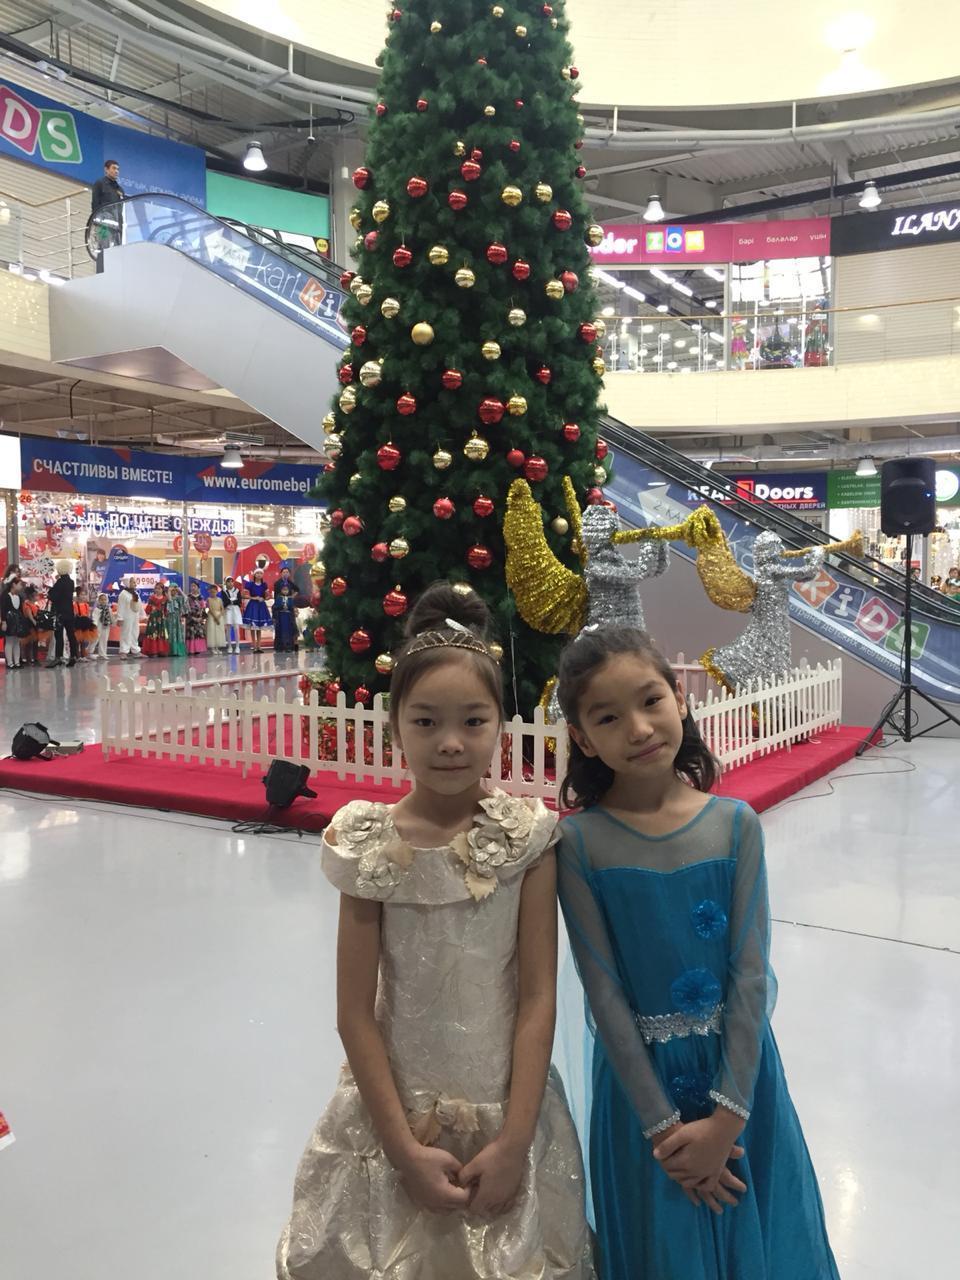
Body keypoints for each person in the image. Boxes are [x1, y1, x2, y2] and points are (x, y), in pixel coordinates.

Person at [276, 582, 594, 1280]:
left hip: (508, 1114)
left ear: (501, 725)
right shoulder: (368, 843)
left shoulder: (527, 839)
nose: (450, 743)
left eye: (473, 721)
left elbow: (538, 997)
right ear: (395, 727)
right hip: (394, 1118)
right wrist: (401, 1151)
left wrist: (515, 1142)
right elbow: (355, 1011)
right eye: (425, 722)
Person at [554, 625, 839, 1280]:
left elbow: (750, 975)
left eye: (651, 700)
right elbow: (603, 994)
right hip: (640, 1093)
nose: (638, 728)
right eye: (607, 717)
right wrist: (662, 1130)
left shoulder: (735, 825)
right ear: (582, 737)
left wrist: (727, 1119)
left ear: (679, 698)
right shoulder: (579, 845)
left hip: (740, 1081)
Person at [90, 159, 125, 273]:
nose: (116, 171)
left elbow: (121, 211)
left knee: (117, 252)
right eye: (114, 168)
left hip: (117, 226)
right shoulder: (100, 184)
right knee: (103, 248)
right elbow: (95, 204)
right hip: (103, 224)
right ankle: (102, 273)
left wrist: (121, 227)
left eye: (118, 169)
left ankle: (115, 274)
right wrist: (96, 222)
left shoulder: (120, 190)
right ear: (106, 169)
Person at [46, 560, 79, 667]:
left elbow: (53, 596)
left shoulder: (59, 582)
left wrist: (50, 592)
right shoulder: (71, 582)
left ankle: (58, 657)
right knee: (71, 634)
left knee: (59, 635)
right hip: (69, 611)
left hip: (59, 612)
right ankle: (74, 655)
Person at [0, 576, 28, 669]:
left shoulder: (19, 597)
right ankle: (10, 662)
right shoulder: (6, 596)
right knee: (9, 641)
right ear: (13, 584)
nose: (21, 586)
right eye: (19, 584)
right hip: (9, 621)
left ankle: (17, 662)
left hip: (17, 622)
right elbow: (3, 610)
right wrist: (4, 621)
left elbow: (20, 610)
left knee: (16, 641)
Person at [242, 566, 271, 653]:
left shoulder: (264, 585)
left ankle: (259, 646)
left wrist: (264, 598)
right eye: (257, 573)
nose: (259, 574)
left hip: (261, 606)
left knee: (259, 627)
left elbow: (268, 596)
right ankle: (254, 646)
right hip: (253, 605)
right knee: (253, 626)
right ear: (254, 574)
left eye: (261, 573)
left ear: (262, 575)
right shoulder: (250, 584)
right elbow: (243, 595)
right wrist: (253, 598)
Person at [116, 579, 143, 655]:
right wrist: (120, 618)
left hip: (135, 617)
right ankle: (123, 651)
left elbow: (139, 605)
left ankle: (135, 650)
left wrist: (142, 616)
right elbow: (120, 606)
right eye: (133, 582)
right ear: (128, 583)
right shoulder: (123, 594)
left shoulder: (135, 593)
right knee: (126, 633)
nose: (135, 584)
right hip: (126, 617)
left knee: (135, 632)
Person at [142, 584, 170, 657]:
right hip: (153, 619)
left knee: (161, 633)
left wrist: (165, 615)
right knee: (152, 633)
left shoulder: (165, 598)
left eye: (159, 589)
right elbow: (148, 609)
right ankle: (153, 651)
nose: (157, 590)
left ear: (162, 590)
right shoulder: (151, 598)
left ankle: (161, 651)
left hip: (161, 619)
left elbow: (166, 609)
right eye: (156, 588)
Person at [271, 582, 299, 652]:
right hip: (281, 617)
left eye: (286, 590)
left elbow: (292, 607)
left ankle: (288, 647)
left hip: (288, 617)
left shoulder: (290, 598)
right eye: (284, 590)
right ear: (281, 590)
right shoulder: (278, 598)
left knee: (289, 632)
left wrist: (289, 607)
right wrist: (281, 607)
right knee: (281, 631)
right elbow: (274, 607)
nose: (285, 591)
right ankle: (280, 647)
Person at [72, 587, 97, 660]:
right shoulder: (75, 604)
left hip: (85, 623)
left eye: (84, 595)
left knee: (83, 641)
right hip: (78, 623)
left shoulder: (86, 605)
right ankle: (77, 655)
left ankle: (83, 655)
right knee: (77, 640)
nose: (83, 596)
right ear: (78, 595)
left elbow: (87, 614)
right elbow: (75, 614)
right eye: (81, 595)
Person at [221, 577, 243, 654]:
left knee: (236, 628)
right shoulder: (224, 591)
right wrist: (233, 600)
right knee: (228, 629)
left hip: (236, 610)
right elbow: (225, 601)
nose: (230, 583)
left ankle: (237, 646)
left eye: (231, 581)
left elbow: (239, 601)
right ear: (225, 583)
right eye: (228, 582)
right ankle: (229, 646)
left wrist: (231, 601)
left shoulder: (237, 590)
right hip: (228, 610)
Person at [185, 583, 207, 656]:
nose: (193, 587)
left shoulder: (201, 597)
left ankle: (198, 649)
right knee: (191, 633)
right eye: (192, 586)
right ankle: (191, 649)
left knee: (199, 633)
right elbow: (186, 609)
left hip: (199, 618)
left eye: (195, 586)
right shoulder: (188, 597)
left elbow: (203, 608)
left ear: (198, 588)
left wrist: (201, 617)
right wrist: (192, 617)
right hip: (191, 618)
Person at [166, 584, 187, 657]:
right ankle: (171, 651)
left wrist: (180, 591)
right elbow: (170, 601)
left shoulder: (179, 598)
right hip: (169, 619)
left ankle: (178, 650)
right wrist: (169, 591)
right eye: (172, 590)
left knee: (178, 633)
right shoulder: (167, 597)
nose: (174, 592)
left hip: (177, 619)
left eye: (175, 590)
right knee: (170, 633)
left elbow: (185, 599)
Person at [20, 585, 40, 666]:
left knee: (34, 642)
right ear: (32, 596)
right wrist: (36, 623)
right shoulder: (27, 605)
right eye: (36, 595)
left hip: (34, 625)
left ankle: (34, 658)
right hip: (29, 625)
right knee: (29, 642)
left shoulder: (35, 605)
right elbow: (30, 617)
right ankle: (28, 659)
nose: (38, 597)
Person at [93, 592, 114, 660]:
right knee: (95, 639)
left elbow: (111, 617)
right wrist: (95, 625)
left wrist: (113, 623)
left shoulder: (108, 608)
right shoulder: (97, 609)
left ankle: (102, 654)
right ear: (98, 600)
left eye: (105, 599)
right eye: (101, 599)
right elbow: (95, 617)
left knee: (104, 639)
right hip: (98, 626)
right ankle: (89, 652)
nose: (103, 601)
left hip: (106, 626)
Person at [205, 588, 227, 654]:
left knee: (218, 631)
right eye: (211, 592)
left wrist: (219, 616)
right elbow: (209, 609)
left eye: (214, 592)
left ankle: (217, 647)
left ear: (217, 592)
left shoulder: (220, 599)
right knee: (212, 631)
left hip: (219, 616)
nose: (213, 593)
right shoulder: (208, 599)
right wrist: (215, 617)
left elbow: (222, 609)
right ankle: (213, 648)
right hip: (211, 616)